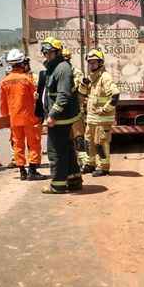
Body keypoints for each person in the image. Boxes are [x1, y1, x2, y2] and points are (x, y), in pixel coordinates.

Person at [41, 37, 81, 194]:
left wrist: (52, 115)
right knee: (67, 149)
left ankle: (57, 185)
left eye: (50, 53)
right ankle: (74, 179)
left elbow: (63, 95)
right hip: (62, 118)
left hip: (60, 118)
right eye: (45, 53)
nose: (47, 56)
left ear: (57, 52)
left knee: (56, 151)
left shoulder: (62, 69)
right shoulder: (56, 67)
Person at [0, 49, 46, 182]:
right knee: (33, 143)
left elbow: (3, 104)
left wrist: (6, 118)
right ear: (21, 63)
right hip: (29, 117)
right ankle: (32, 170)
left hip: (14, 119)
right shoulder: (26, 80)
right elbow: (36, 98)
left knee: (18, 144)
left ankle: (22, 171)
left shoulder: (4, 82)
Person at [80, 48, 119, 177]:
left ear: (100, 63)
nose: (91, 65)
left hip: (102, 120)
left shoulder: (105, 77)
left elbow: (115, 96)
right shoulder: (91, 78)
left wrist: (104, 110)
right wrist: (83, 85)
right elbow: (82, 95)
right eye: (90, 62)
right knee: (88, 142)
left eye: (94, 62)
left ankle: (103, 167)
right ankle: (90, 164)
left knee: (101, 143)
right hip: (91, 119)